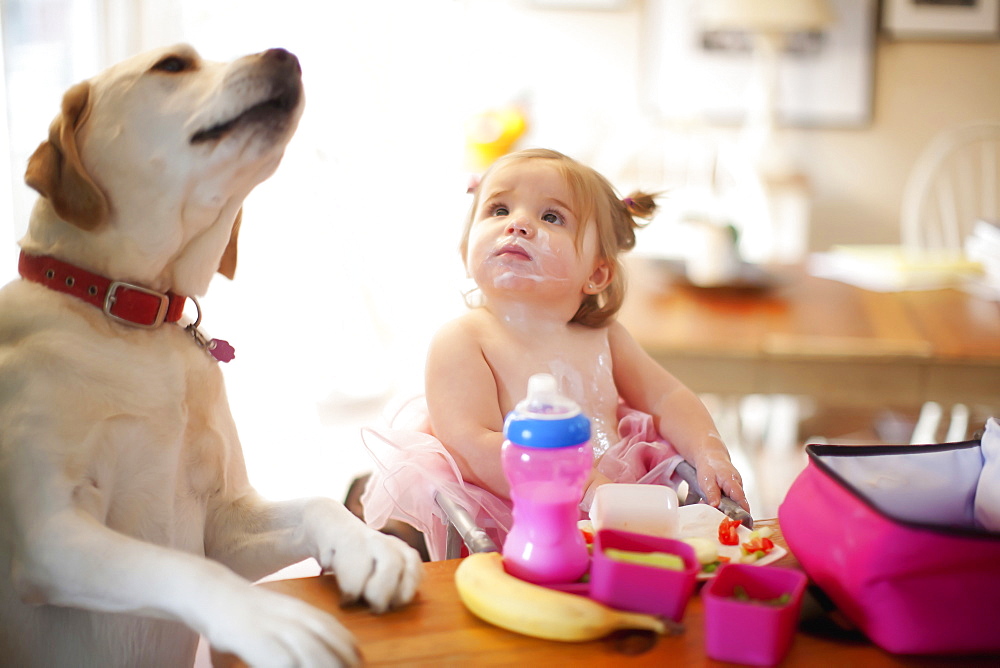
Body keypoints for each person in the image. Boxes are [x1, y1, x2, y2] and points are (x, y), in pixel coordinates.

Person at [362, 148, 748, 560]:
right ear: (466, 247)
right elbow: (470, 444)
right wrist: (574, 484)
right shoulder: (464, 340)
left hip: (620, 503)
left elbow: (667, 398)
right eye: (498, 209)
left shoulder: (604, 337)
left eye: (551, 217)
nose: (518, 224)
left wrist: (709, 451)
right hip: (522, 520)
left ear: (597, 273)